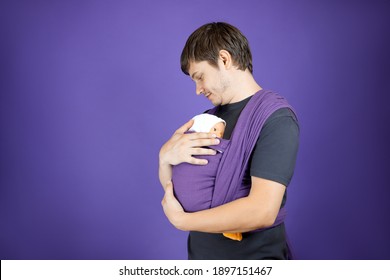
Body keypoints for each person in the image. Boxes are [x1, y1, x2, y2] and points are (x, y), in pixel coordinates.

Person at [159, 22, 299, 259]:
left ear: (224, 59)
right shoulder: (206, 120)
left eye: (199, 77)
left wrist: (184, 221)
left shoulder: (276, 118)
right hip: (200, 257)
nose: (198, 89)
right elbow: (175, 187)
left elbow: (262, 210)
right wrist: (164, 159)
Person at [172, 113, 243, 241]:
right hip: (205, 206)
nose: (219, 136)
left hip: (183, 204)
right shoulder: (200, 139)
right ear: (203, 127)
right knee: (238, 193)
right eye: (215, 129)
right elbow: (233, 151)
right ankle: (232, 229)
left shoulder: (179, 144)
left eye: (221, 132)